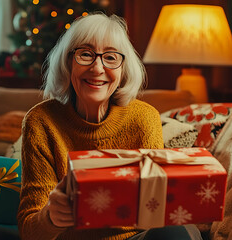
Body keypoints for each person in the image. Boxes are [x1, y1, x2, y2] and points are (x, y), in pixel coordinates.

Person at [18, 12, 202, 240]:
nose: (97, 68)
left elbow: (156, 212)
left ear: (123, 68)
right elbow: (29, 231)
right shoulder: (41, 121)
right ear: (67, 62)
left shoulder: (144, 119)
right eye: (85, 54)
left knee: (181, 232)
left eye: (111, 57)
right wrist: (50, 217)